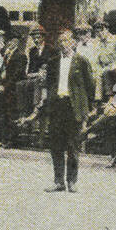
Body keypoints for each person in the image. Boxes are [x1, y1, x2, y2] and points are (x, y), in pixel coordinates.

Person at [45, 29, 95, 192]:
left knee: (73, 146)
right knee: (56, 145)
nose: (64, 45)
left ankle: (72, 181)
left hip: (73, 107)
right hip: (57, 106)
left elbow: (90, 87)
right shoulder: (53, 62)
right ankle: (58, 181)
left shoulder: (81, 61)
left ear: (73, 42)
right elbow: (49, 84)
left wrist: (86, 109)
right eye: (61, 42)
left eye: (67, 41)